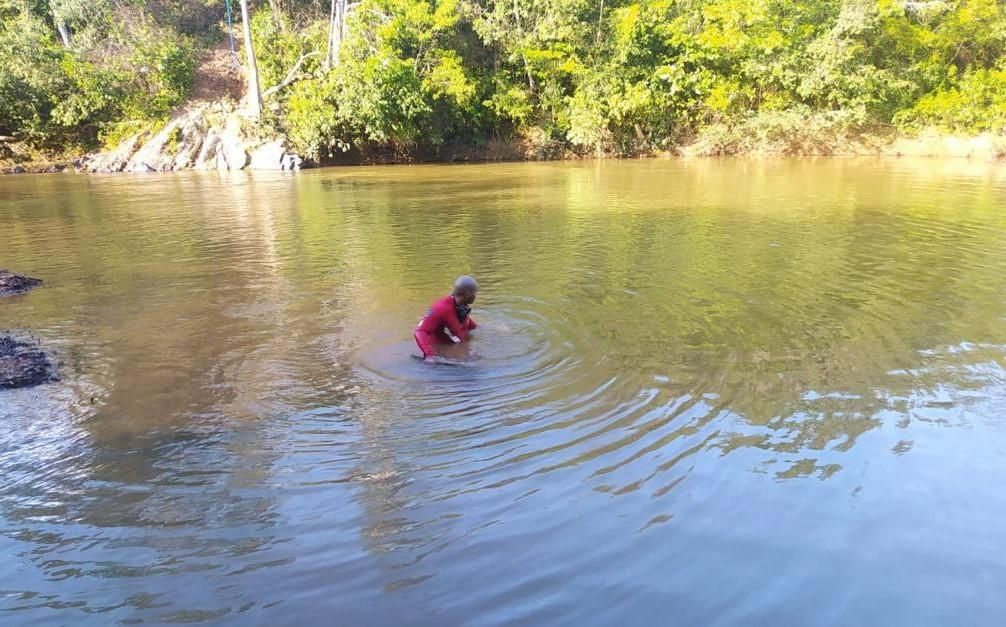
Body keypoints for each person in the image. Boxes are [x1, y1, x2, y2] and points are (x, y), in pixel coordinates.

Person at [414, 276, 479, 360]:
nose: (476, 295)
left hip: (454, 346)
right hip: (438, 352)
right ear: (467, 294)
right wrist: (430, 356)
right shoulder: (441, 308)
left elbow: (469, 324)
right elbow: (419, 332)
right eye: (475, 292)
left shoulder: (462, 308)